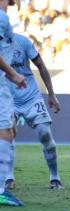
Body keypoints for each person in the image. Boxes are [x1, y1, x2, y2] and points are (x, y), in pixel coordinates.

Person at [6, 33, 63, 190]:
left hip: (31, 97)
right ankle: (8, 178)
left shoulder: (22, 41)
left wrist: (51, 95)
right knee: (8, 134)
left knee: (45, 134)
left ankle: (55, 177)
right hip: (8, 99)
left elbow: (41, 67)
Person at [0, 0, 26, 206]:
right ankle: (0, 188)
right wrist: (14, 74)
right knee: (6, 132)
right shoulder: (1, 18)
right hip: (0, 84)